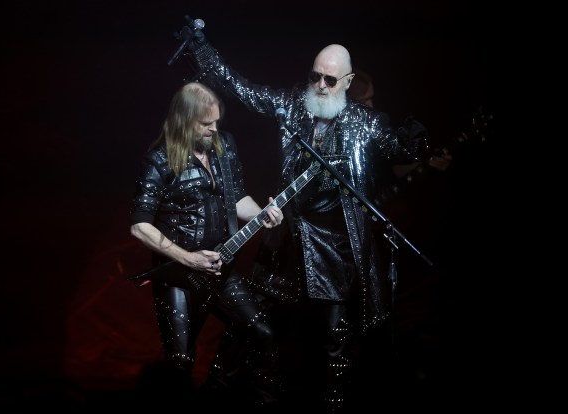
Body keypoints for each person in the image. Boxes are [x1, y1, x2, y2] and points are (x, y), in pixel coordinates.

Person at [180, 28, 432, 413]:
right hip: (289, 240)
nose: (320, 85)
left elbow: (397, 147)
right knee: (251, 324)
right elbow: (244, 90)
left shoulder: (366, 122)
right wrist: (203, 51)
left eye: (330, 80)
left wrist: (415, 139)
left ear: (347, 82)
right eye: (315, 76)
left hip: (335, 250)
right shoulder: (291, 104)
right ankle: (218, 396)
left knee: (334, 339)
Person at [129, 81, 284, 408]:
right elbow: (140, 226)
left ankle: (216, 395)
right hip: (178, 277)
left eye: (217, 121)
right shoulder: (160, 159)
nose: (214, 129)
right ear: (185, 120)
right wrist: (188, 258)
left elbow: (237, 197)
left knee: (260, 331)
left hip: (220, 267)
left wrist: (263, 214)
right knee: (181, 362)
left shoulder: (225, 145)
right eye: (205, 124)